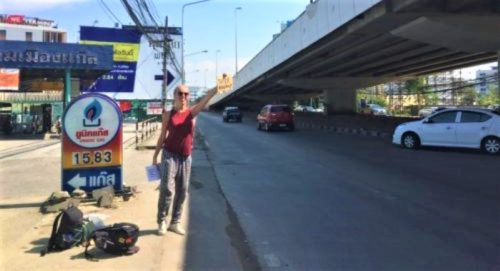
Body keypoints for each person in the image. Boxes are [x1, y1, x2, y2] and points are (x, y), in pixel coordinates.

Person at [152, 84, 218, 235]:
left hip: (186, 157)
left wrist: (214, 90)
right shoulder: (168, 115)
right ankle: (162, 220)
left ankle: (175, 222)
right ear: (174, 95)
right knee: (166, 189)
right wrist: (155, 155)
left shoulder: (191, 113)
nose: (183, 97)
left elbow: (204, 101)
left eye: (186, 94)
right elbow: (163, 136)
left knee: (182, 190)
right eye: (180, 94)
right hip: (169, 154)